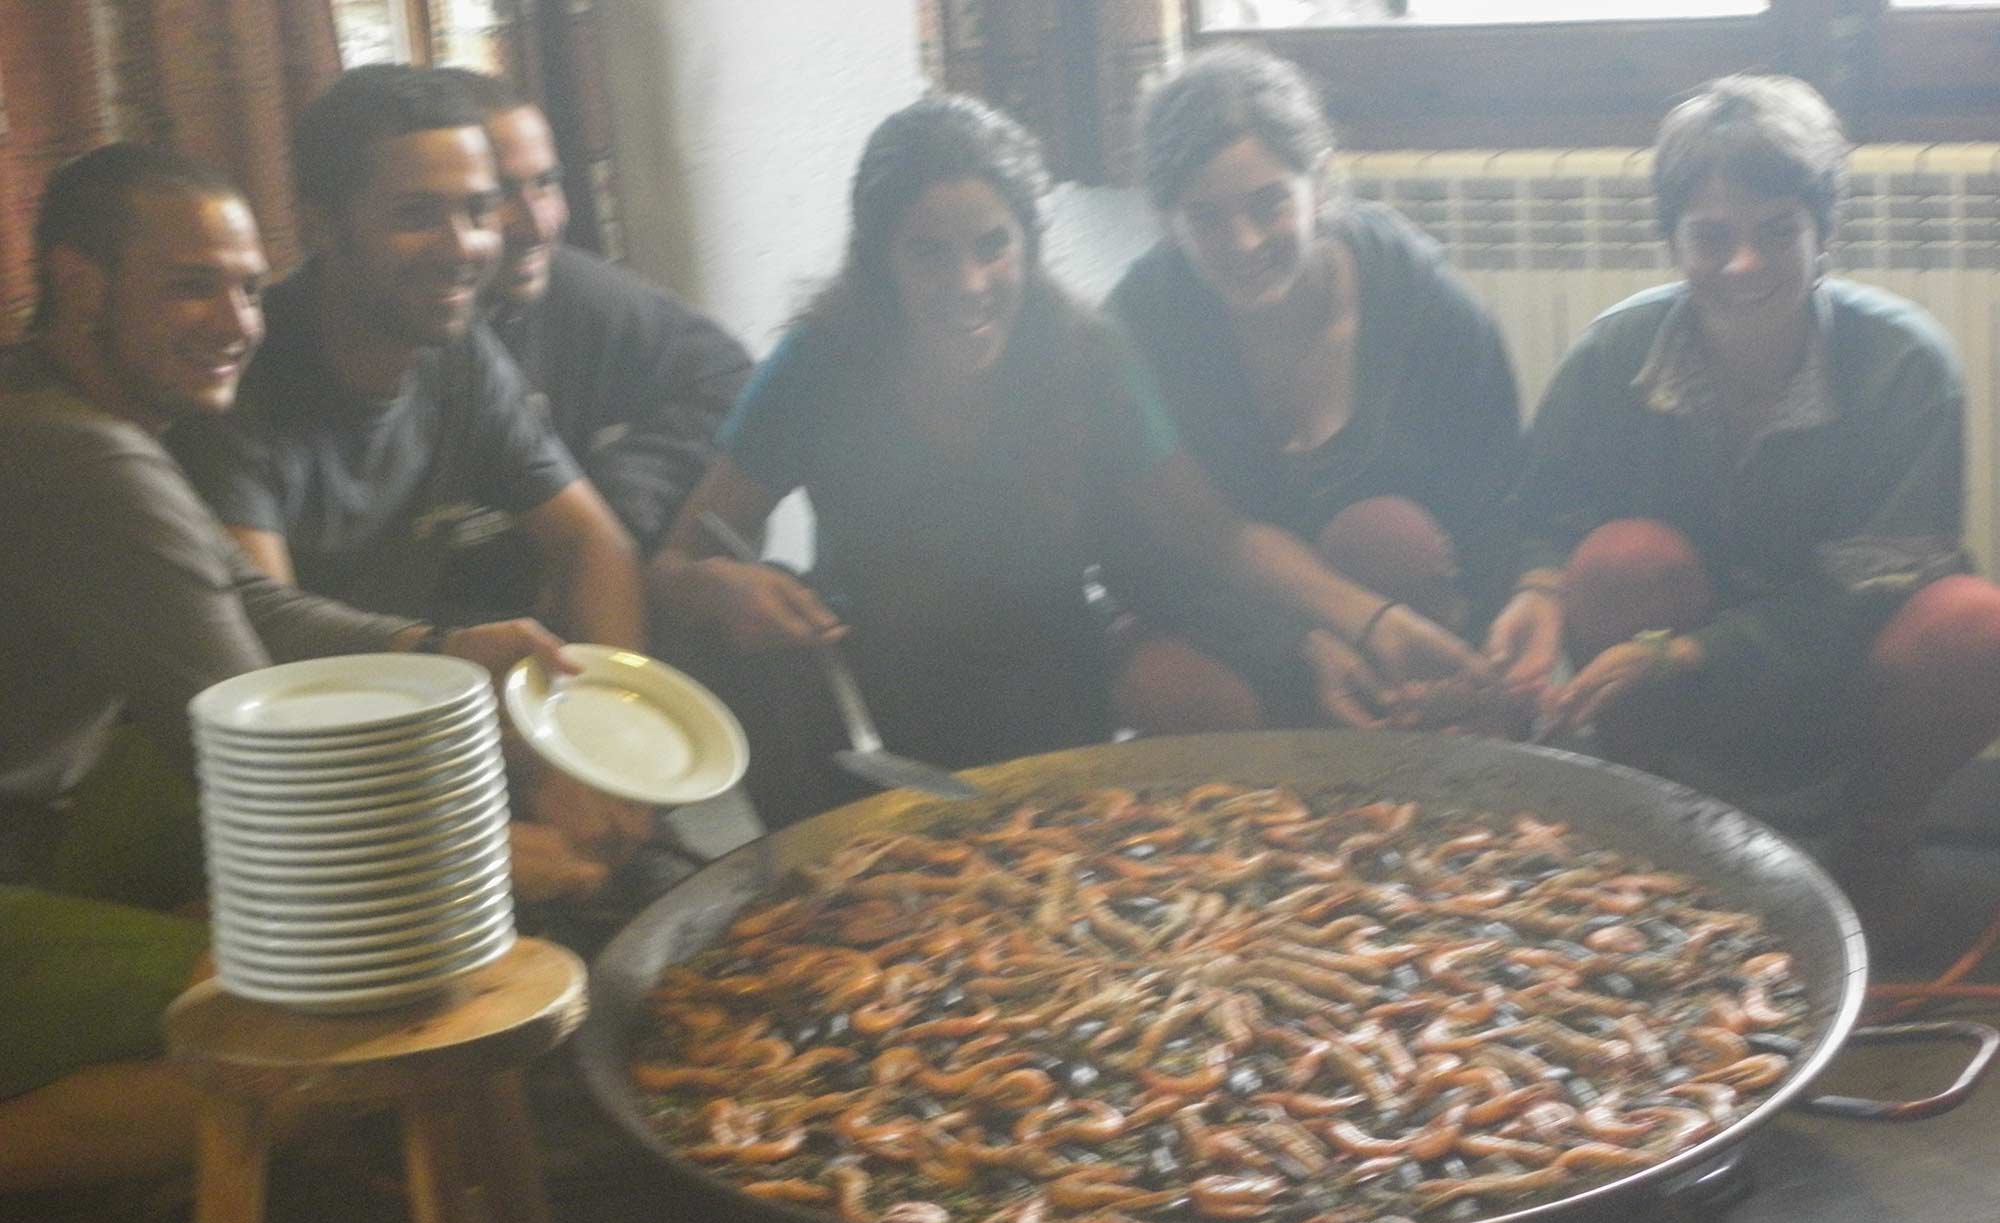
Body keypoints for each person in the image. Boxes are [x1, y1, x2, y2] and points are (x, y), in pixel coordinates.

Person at [651, 96, 1489, 826]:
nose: (968, 282)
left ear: (1029, 243)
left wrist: (1370, 620)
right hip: (868, 695)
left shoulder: (1086, 354)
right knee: (756, 677)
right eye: (927, 253)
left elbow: (1214, 533)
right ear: (879, 259)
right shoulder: (818, 364)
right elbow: (677, 561)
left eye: (992, 245)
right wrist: (722, 583)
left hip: (1043, 686)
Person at [0, 144, 573, 1191]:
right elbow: (244, 736)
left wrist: (439, 650)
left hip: (46, 816)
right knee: (315, 1049)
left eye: (249, 288)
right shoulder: (79, 453)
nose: (234, 323)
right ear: (81, 283)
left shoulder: (56, 402)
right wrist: (462, 852)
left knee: (284, 906)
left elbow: (251, 603)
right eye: (190, 285)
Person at [1500, 75, 2000, 941]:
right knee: (1620, 558)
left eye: (1777, 233)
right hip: (1661, 679)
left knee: (1973, 625)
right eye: (1711, 236)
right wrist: (1537, 593)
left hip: (1834, 672)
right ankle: (1651, 833)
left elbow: (1875, 588)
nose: (1743, 265)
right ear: (1671, 240)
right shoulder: (1613, 350)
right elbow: (1544, 514)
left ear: (1824, 234)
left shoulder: (1907, 366)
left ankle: (1875, 847)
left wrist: (1691, 649)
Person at [169, 65, 651, 867]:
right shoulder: (241, 387)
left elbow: (595, 545)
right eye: (416, 216)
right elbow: (268, 659)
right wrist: (479, 836)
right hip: (277, 798)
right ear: (324, 225)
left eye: (476, 208)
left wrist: (599, 755)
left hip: (422, 727)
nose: (465, 246)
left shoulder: (458, 353)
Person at [1107, 46, 1524, 733]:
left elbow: (1496, 509)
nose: (1242, 243)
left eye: (1268, 204)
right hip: (1240, 625)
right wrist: (1294, 641)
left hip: (1408, 613)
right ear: (1164, 218)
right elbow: (1139, 554)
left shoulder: (1428, 309)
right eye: (1206, 217)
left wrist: (1477, 666)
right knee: (1164, 681)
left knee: (1386, 535)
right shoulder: (1136, 330)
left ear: (1320, 185)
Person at [438, 69, 752, 626]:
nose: (537, 224)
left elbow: (726, 378)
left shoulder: (578, 293)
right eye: (503, 193)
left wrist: (617, 502)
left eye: (546, 183)